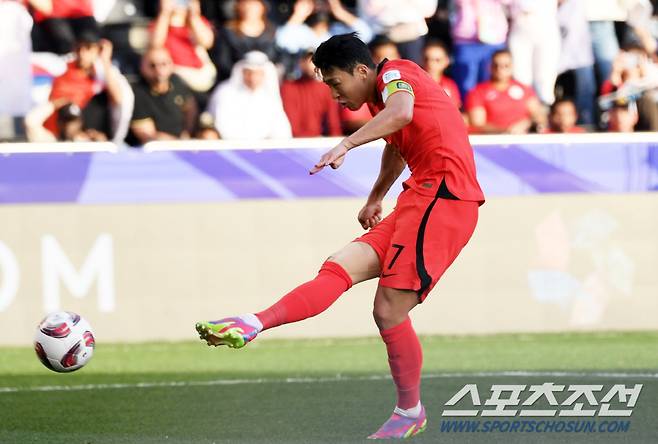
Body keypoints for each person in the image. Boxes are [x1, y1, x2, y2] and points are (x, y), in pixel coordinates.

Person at [195, 33, 484, 439]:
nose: (333, 94)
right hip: (418, 197)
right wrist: (375, 197)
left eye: (335, 82)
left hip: (446, 198)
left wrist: (346, 144)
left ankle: (409, 411)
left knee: (388, 310)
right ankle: (253, 322)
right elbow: (398, 145)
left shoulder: (397, 74)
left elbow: (401, 113)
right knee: (338, 266)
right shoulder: (378, 99)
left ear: (362, 71)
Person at [206, 50, 292, 139]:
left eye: (258, 74)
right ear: (241, 72)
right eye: (248, 73)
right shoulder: (225, 92)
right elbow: (220, 125)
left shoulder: (270, 97)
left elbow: (281, 130)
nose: (253, 78)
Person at [127, 47, 197, 146]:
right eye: (152, 65)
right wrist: (180, 144)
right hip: (152, 150)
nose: (158, 69)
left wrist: (187, 133)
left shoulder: (177, 82)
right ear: (142, 67)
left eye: (164, 64)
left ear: (171, 64)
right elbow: (147, 135)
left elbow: (190, 108)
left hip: (181, 142)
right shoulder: (137, 93)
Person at [466, 49, 546, 134]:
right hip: (493, 141)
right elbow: (477, 124)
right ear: (489, 67)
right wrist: (506, 132)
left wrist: (527, 123)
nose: (500, 69)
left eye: (506, 66)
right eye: (496, 65)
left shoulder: (525, 89)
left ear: (512, 67)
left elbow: (539, 116)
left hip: (524, 139)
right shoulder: (477, 92)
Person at [150, 0, 216, 93]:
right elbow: (155, 45)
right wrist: (164, 13)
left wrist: (194, 16)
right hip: (175, 78)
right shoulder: (159, 24)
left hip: (201, 75)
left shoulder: (196, 22)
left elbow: (207, 42)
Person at [281, 49, 342, 137]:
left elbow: (333, 122)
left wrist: (337, 144)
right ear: (300, 63)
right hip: (294, 142)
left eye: (314, 61)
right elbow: (289, 120)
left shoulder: (326, 89)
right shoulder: (288, 88)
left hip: (319, 141)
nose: (311, 64)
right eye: (308, 60)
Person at [422, 39, 461, 109]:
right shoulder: (414, 85)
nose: (430, 64)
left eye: (437, 60)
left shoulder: (450, 85)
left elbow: (455, 111)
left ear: (446, 61)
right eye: (426, 59)